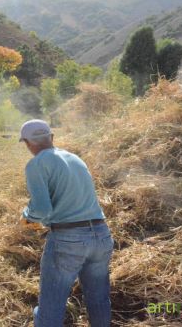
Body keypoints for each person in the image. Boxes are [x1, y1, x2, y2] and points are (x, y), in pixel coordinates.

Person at [19, 119, 113, 327]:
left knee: (50, 307)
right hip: (101, 234)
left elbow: (42, 209)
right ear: (51, 138)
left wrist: (26, 217)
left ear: (27, 143)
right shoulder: (75, 158)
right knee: (99, 301)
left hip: (68, 239)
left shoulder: (36, 164)